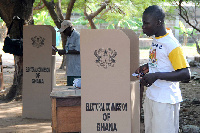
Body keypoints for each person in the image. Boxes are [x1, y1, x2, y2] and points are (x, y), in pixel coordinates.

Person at [135, 5, 191, 133]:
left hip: (165, 101)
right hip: (152, 96)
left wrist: (156, 76)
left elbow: (185, 74)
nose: (143, 27)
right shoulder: (156, 39)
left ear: (158, 23)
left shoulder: (171, 44)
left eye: (146, 23)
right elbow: (161, 62)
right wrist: (147, 67)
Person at [54, 20, 81, 86]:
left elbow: (78, 50)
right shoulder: (69, 37)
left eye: (64, 31)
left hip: (76, 71)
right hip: (70, 70)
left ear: (70, 28)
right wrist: (61, 51)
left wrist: (65, 51)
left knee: (76, 91)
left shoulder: (77, 36)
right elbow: (68, 50)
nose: (63, 33)